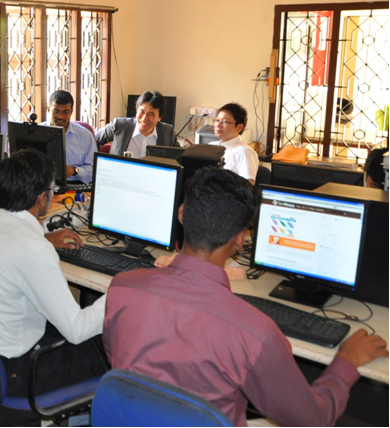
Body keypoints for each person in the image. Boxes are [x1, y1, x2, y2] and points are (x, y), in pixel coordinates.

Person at [103, 167, 388, 427]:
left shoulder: (122, 288)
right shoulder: (255, 332)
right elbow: (312, 420)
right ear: (241, 238)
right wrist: (345, 363)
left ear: (181, 213)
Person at [0, 148, 107, 425]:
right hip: (15, 371)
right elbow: (76, 330)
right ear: (41, 198)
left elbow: (12, 245)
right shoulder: (35, 251)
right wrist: (117, 292)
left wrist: (45, 239)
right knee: (107, 346)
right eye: (52, 189)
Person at [95, 90, 178, 157]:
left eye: (151, 114)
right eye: (142, 112)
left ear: (159, 118)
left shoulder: (167, 132)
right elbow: (94, 139)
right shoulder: (119, 125)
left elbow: (180, 157)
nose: (144, 118)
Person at [41, 90, 97, 183]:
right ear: (48, 110)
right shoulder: (38, 132)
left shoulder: (85, 136)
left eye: (65, 112)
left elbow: (94, 170)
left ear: (71, 112)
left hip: (74, 184)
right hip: (43, 184)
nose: (60, 117)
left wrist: (74, 171)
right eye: (56, 111)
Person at [212, 102, 259, 184]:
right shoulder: (211, 146)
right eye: (217, 120)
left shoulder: (244, 152)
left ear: (239, 127)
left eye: (225, 122)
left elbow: (248, 186)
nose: (218, 125)